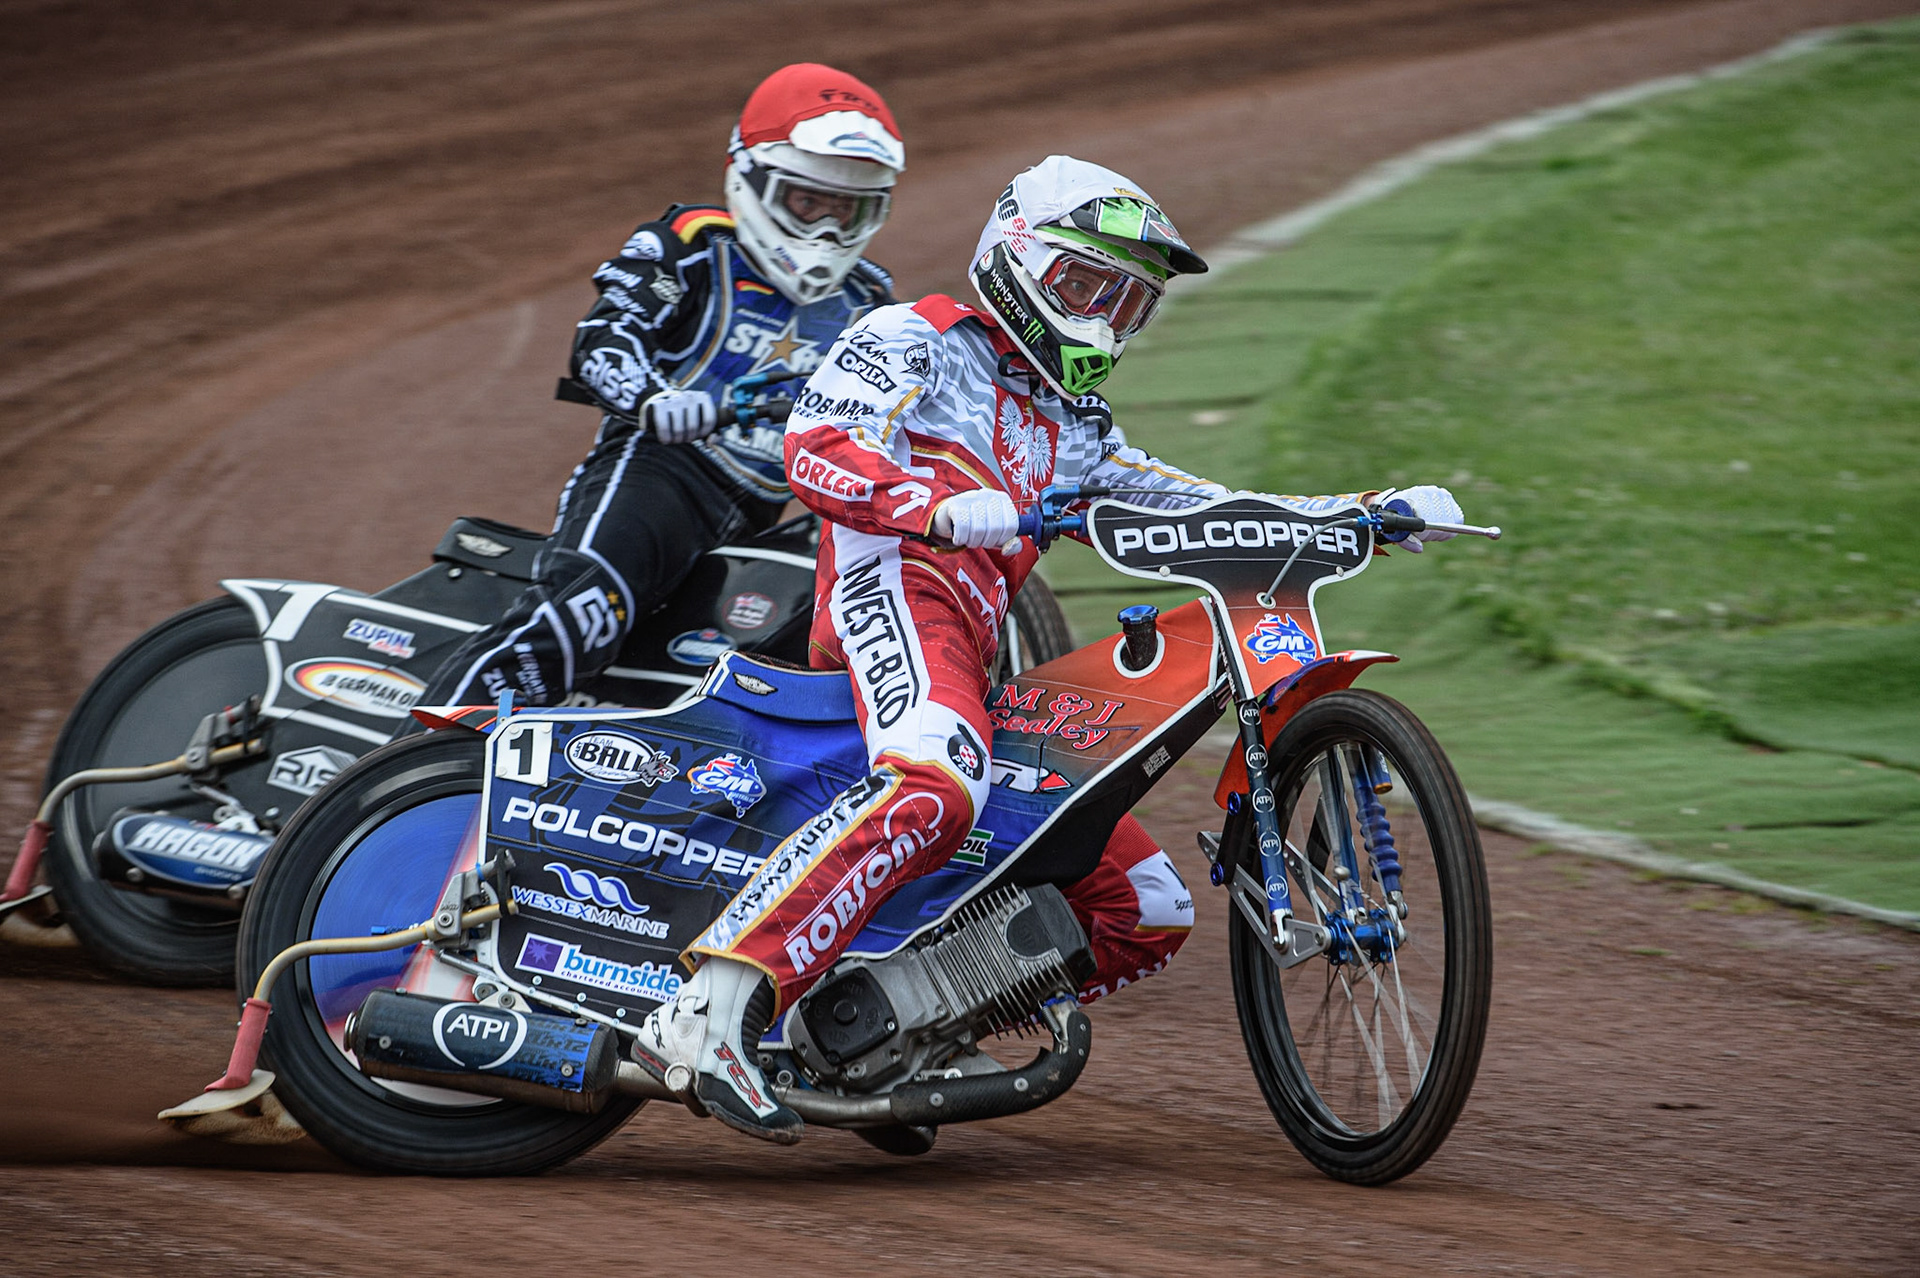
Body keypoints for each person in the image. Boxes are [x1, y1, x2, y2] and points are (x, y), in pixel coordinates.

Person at [634, 155, 1465, 1142]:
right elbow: (814, 445)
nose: (1107, 318)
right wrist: (935, 506)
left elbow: (1200, 506)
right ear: (1018, 261)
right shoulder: (919, 337)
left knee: (1143, 904)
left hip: (970, 644)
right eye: (1088, 287)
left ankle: (890, 1024)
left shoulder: (1074, 425)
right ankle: (709, 1012)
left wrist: (1355, 513)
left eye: (1130, 304)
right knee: (938, 786)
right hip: (891, 587)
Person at [413, 63, 904, 711]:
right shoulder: (693, 244)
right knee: (580, 615)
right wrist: (653, 400)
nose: (825, 233)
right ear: (753, 179)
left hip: (769, 517)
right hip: (658, 476)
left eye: (847, 211)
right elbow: (605, 338)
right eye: (808, 202)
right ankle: (407, 768)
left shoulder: (871, 300)